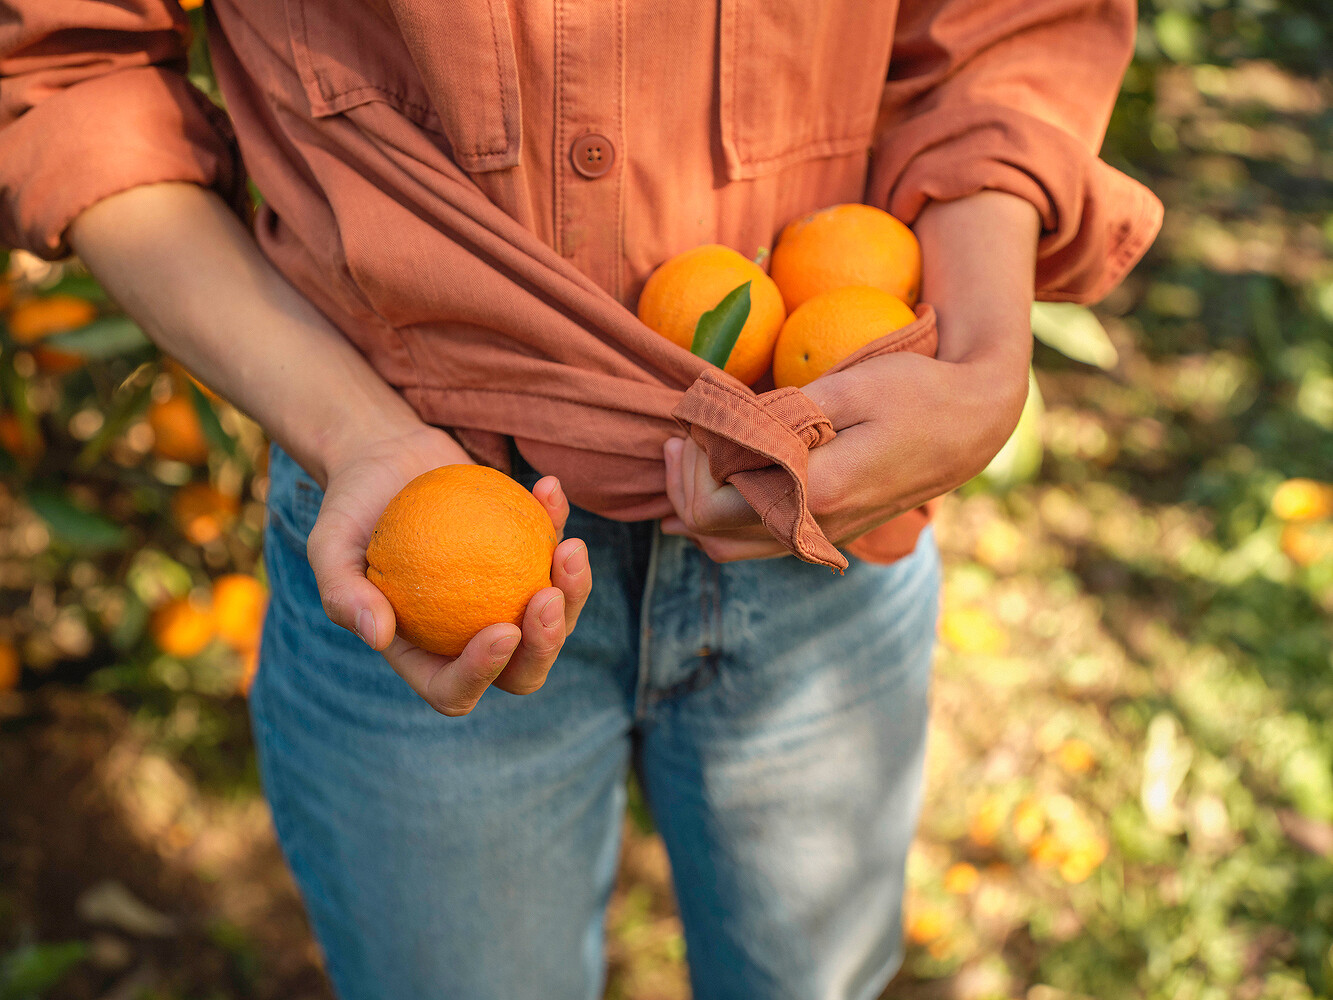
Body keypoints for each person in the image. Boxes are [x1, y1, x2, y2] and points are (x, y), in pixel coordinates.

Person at [0, 1, 1161, 997]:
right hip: (422, 530)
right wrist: (358, 435)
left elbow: (1003, 27)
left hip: (818, 509)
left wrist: (986, 364)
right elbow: (73, 65)